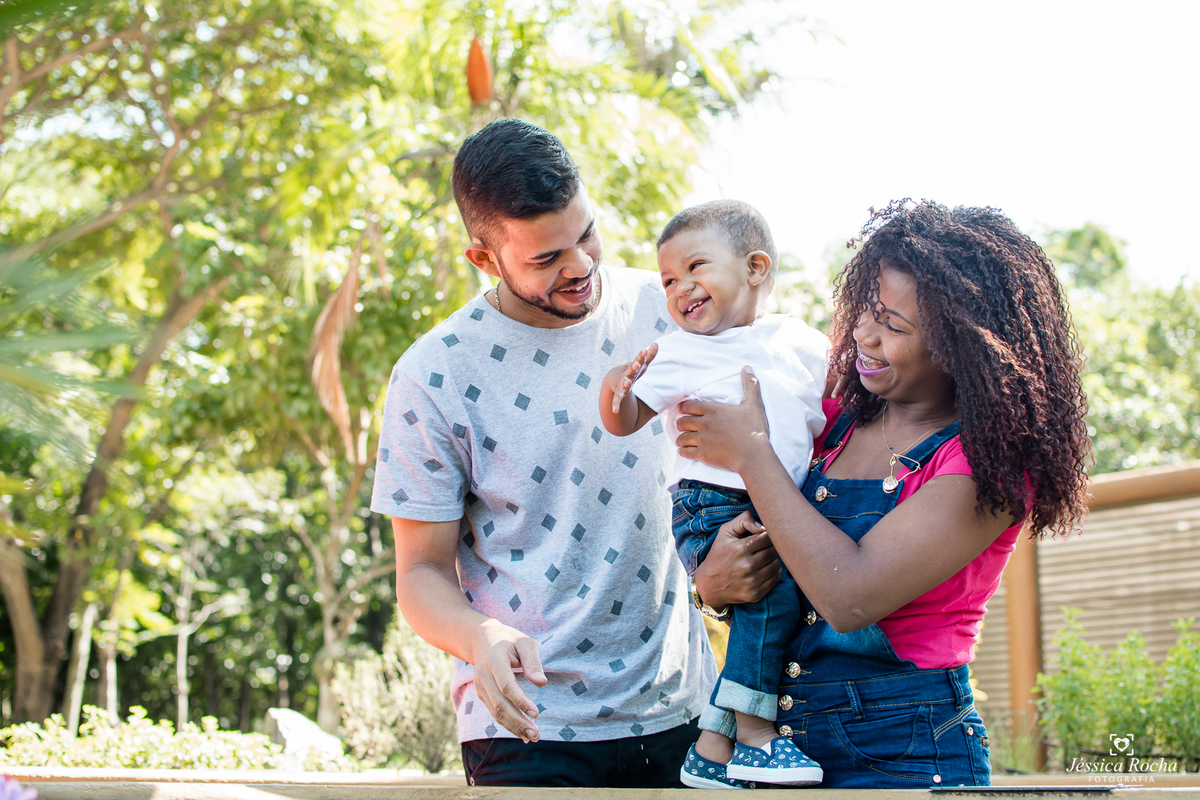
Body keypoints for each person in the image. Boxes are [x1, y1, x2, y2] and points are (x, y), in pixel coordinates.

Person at [369, 119, 775, 788]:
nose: (581, 265)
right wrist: (477, 636)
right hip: (526, 729)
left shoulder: (672, 311)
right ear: (484, 259)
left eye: (586, 234)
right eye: (546, 258)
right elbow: (420, 574)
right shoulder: (433, 374)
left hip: (684, 711)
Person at [672, 200, 1090, 788]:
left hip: (905, 750)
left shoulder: (987, 466)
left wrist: (752, 452)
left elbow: (849, 597)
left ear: (962, 347)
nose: (864, 335)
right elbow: (757, 543)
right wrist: (714, 583)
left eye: (894, 326)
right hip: (774, 745)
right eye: (867, 309)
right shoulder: (832, 420)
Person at [598, 200, 827, 788]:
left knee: (782, 611)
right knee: (770, 604)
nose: (680, 288)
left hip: (782, 501)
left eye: (695, 267)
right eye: (668, 280)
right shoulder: (680, 350)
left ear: (755, 267)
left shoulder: (801, 342)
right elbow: (624, 419)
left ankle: (710, 747)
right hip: (714, 502)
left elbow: (836, 407)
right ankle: (755, 737)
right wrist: (614, 386)